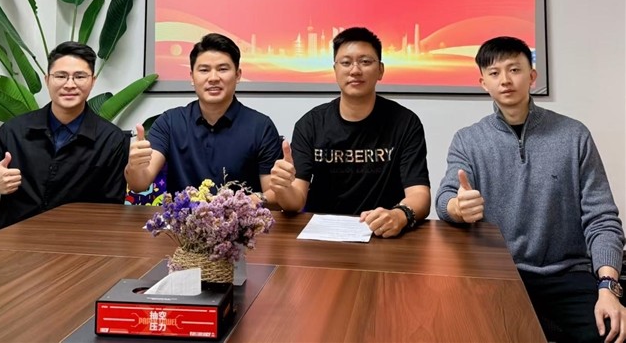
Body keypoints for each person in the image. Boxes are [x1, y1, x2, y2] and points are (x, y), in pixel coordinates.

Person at [435, 36, 625, 343]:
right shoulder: (468, 140)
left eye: (514, 69)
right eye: (494, 73)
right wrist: (457, 207)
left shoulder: (574, 135)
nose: (505, 80)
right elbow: (445, 198)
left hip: (568, 275)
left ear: (532, 76)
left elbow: (602, 218)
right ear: (483, 83)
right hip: (499, 276)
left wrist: (608, 287)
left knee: (612, 333)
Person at [269, 27, 431, 237]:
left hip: (382, 233)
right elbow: (296, 200)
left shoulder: (405, 123)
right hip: (323, 236)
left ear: (380, 70)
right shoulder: (311, 124)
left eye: (365, 61)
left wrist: (400, 215)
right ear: (335, 70)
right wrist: (283, 188)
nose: (355, 70)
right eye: (346, 63)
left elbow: (419, 194)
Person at [0, 41, 129, 229]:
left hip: (77, 241)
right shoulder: (14, 130)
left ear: (93, 81)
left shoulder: (111, 140)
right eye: (61, 76)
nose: (70, 85)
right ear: (47, 79)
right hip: (16, 239)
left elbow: (112, 210)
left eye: (80, 76)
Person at [125, 33, 283, 206]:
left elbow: (275, 193)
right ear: (192, 77)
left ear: (238, 75)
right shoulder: (170, 122)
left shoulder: (261, 126)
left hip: (241, 220)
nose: (213, 78)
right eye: (204, 70)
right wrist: (135, 166)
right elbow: (139, 185)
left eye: (223, 69)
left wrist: (251, 200)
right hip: (183, 222)